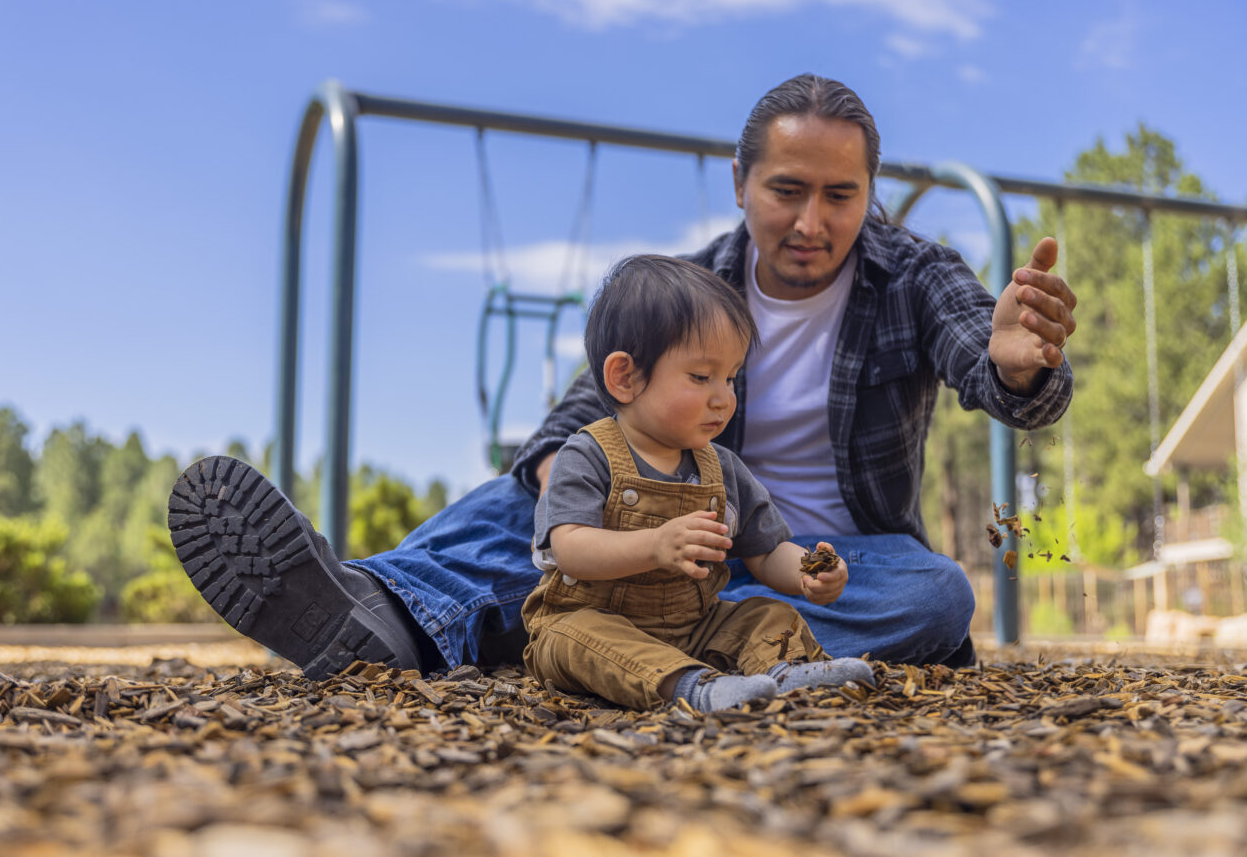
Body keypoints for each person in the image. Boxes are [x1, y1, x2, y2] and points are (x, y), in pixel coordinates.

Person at [167, 73, 1077, 680]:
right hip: (654, 532)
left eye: (841, 195)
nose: (812, 220)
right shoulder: (691, 289)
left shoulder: (916, 276)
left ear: (869, 193)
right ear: (740, 183)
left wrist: (1015, 367)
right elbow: (591, 407)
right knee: (523, 491)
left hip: (830, 566)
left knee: (937, 594)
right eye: (786, 190)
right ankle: (382, 614)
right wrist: (560, 479)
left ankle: (587, 635)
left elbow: (986, 358)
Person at [522, 254, 874, 711]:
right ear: (624, 377)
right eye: (701, 377)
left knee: (767, 613)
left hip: (693, 626)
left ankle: (784, 672)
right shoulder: (587, 455)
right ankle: (693, 688)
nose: (723, 398)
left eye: (730, 378)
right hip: (590, 619)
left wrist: (809, 572)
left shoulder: (721, 468)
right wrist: (653, 545)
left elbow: (766, 551)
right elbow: (568, 547)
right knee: (577, 638)